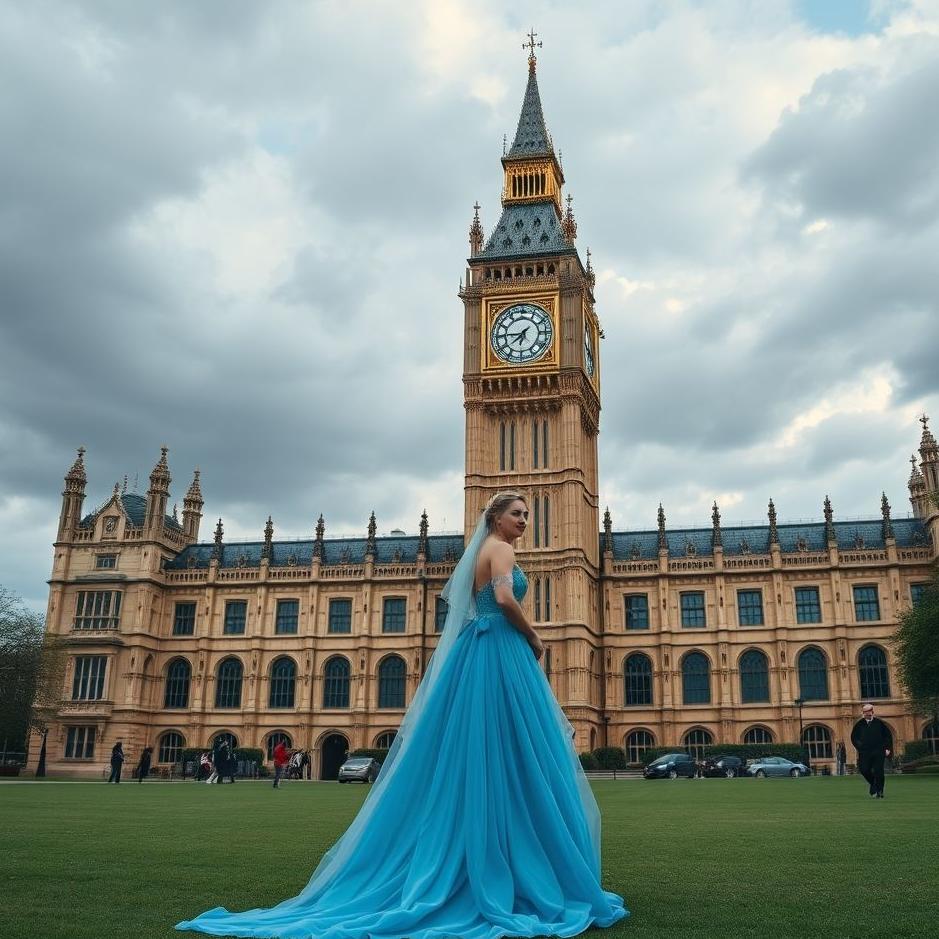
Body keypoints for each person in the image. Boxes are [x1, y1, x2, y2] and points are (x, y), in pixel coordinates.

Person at [177, 491, 628, 936]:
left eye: (528, 514)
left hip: (478, 649)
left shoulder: (477, 553)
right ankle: (516, 864)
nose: (525, 521)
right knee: (519, 750)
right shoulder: (503, 549)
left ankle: (483, 859)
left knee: (481, 752)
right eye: (518, 514)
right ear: (496, 518)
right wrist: (533, 636)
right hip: (501, 649)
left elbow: (474, 604)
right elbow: (506, 599)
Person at [851, 703, 892, 798]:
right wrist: (859, 747)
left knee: (879, 771)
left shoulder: (879, 723)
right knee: (864, 769)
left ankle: (880, 790)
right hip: (865, 752)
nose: (866, 714)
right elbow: (854, 737)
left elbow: (887, 736)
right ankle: (874, 784)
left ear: (872, 712)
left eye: (868, 711)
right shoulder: (859, 724)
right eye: (864, 712)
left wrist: (887, 748)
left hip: (879, 751)